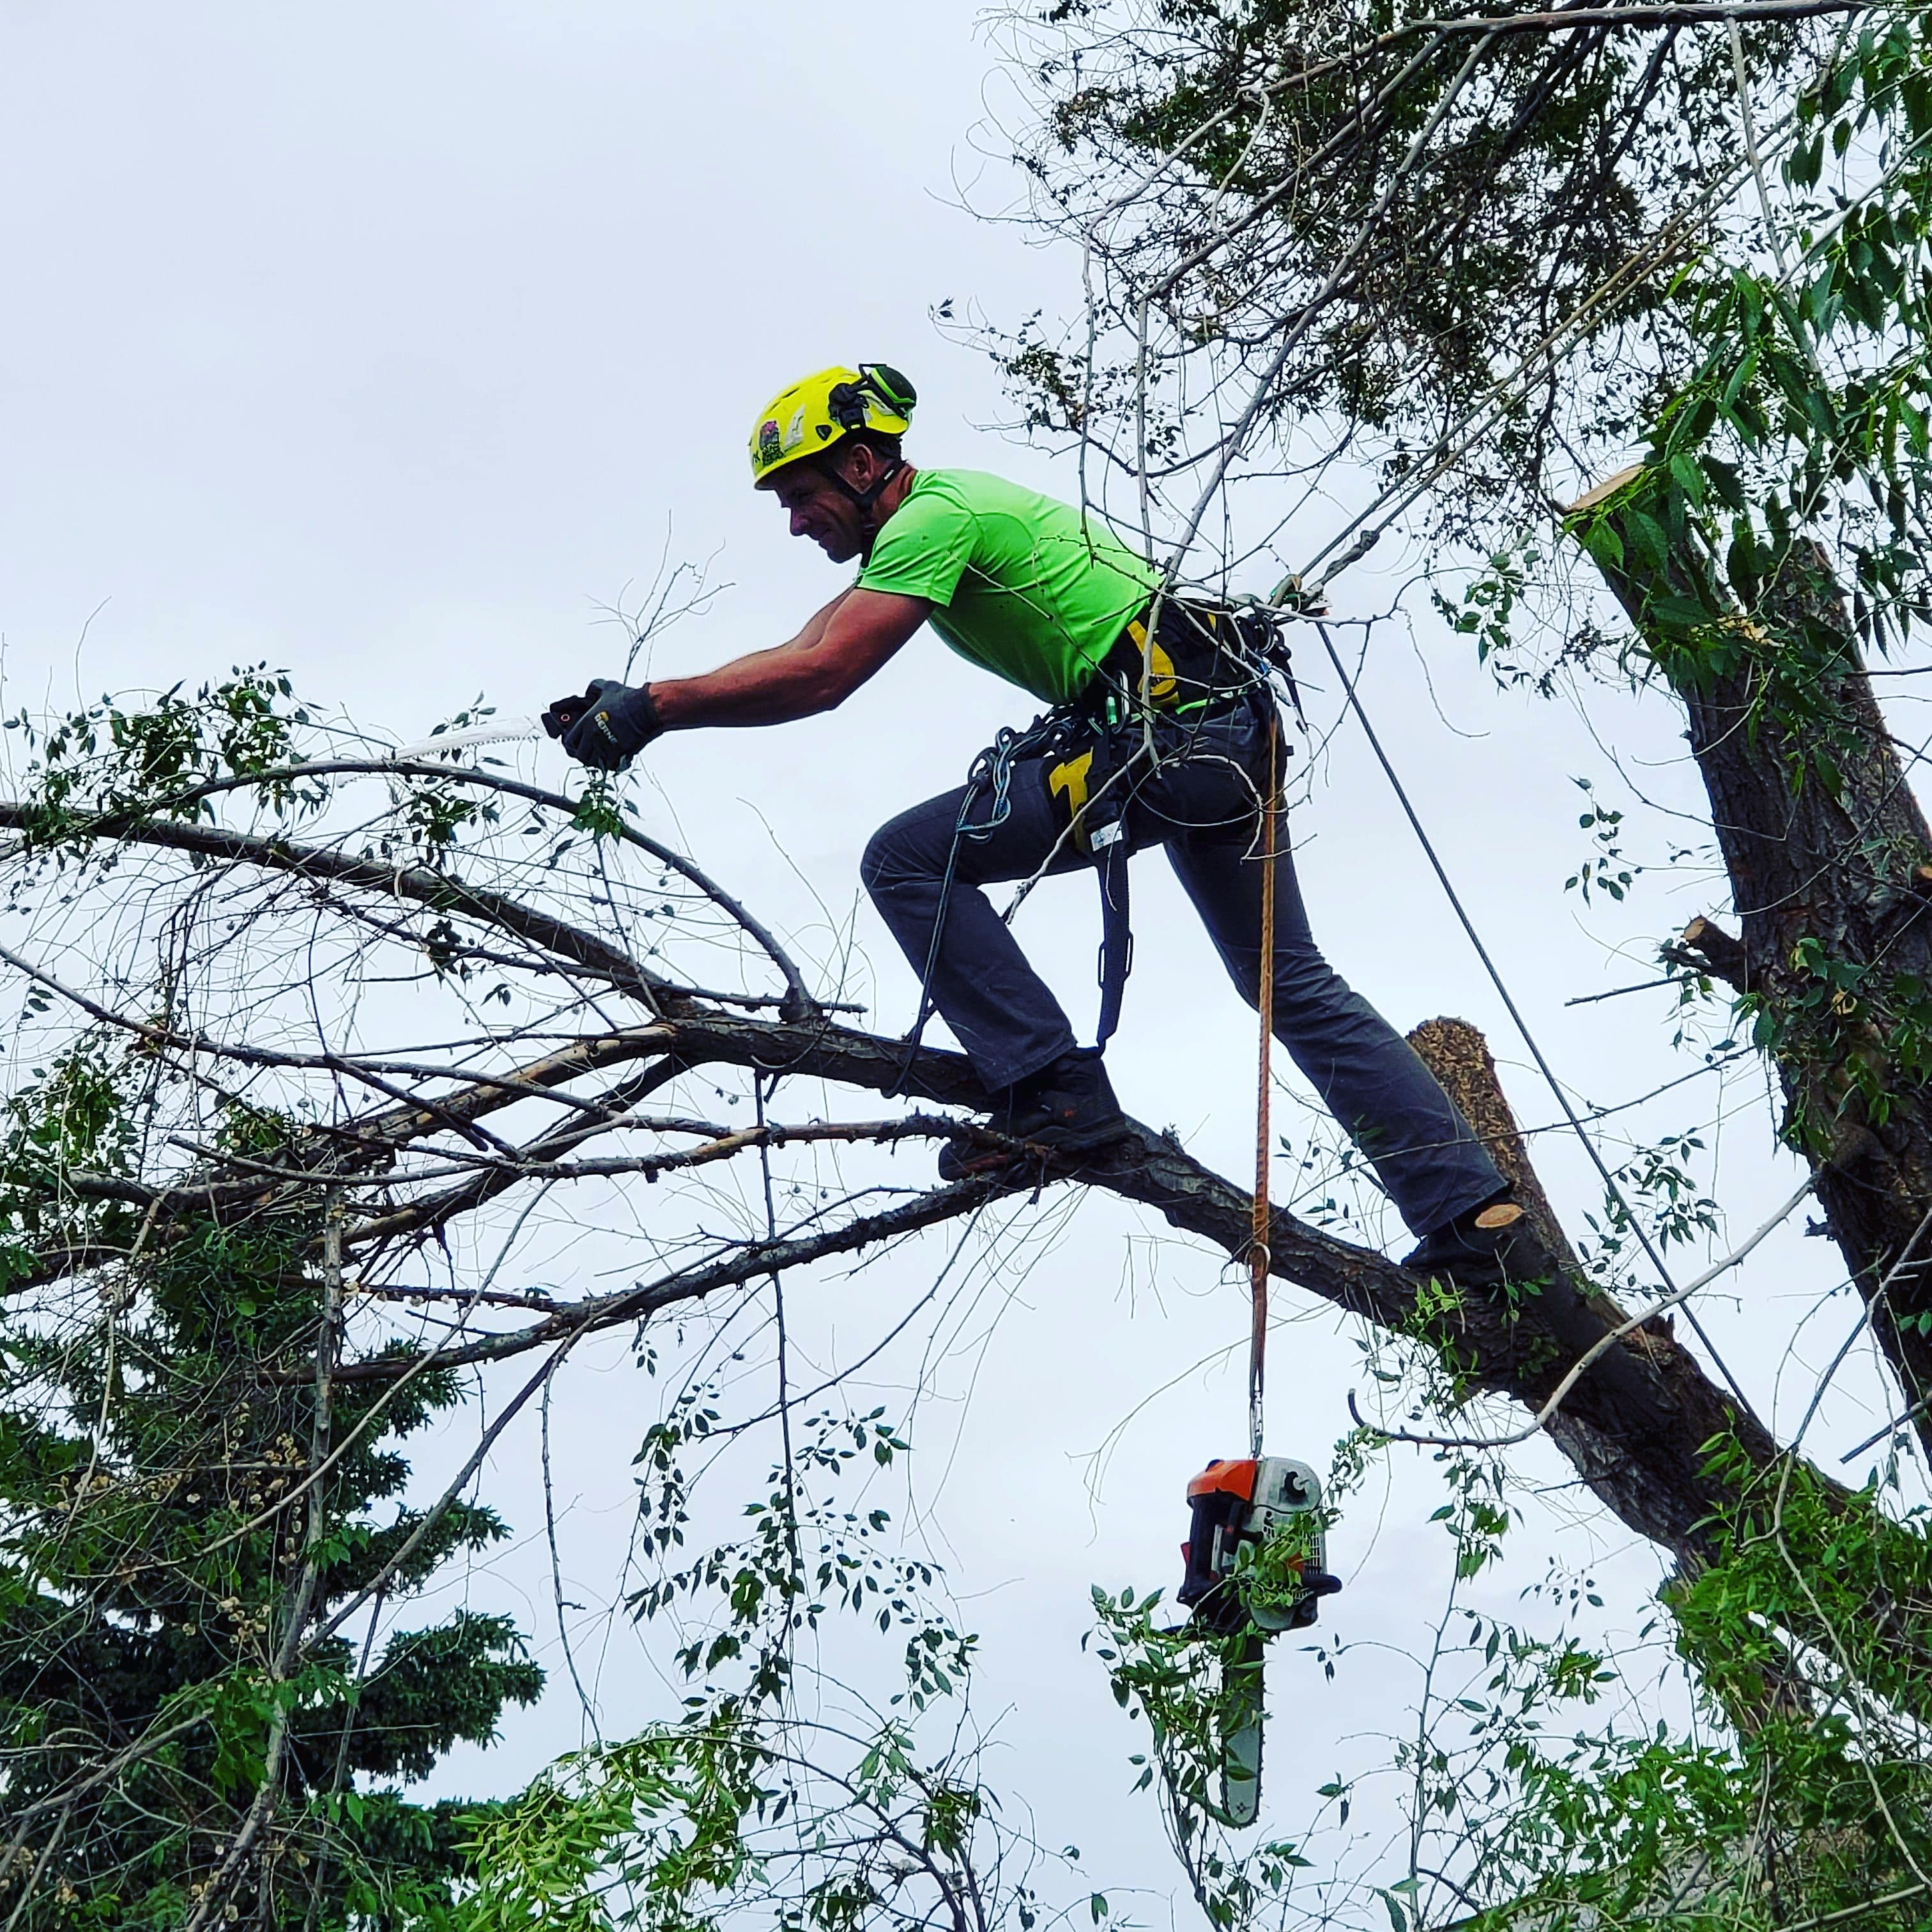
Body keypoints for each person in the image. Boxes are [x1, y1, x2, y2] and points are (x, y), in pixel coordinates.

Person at [549, 364, 1547, 1287]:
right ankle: (1474, 1221)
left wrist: (662, 708)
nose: (797, 521)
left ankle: (1053, 1087)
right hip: (1220, 730)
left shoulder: (935, 517)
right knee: (1291, 985)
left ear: (863, 464)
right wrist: (647, 699)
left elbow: (825, 675)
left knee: (906, 860)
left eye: (803, 495)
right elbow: (809, 639)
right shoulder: (932, 525)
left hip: (1174, 737)